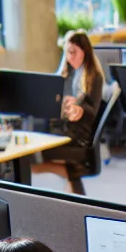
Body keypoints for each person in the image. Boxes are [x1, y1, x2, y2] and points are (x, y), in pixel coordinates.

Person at [39, 32, 105, 193]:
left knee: (34, 154)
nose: (69, 56)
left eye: (73, 52)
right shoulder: (66, 73)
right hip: (64, 127)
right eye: (67, 52)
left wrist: (78, 108)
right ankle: (73, 181)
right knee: (33, 145)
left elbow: (90, 111)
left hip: (78, 134)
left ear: (85, 51)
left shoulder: (94, 76)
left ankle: (72, 176)